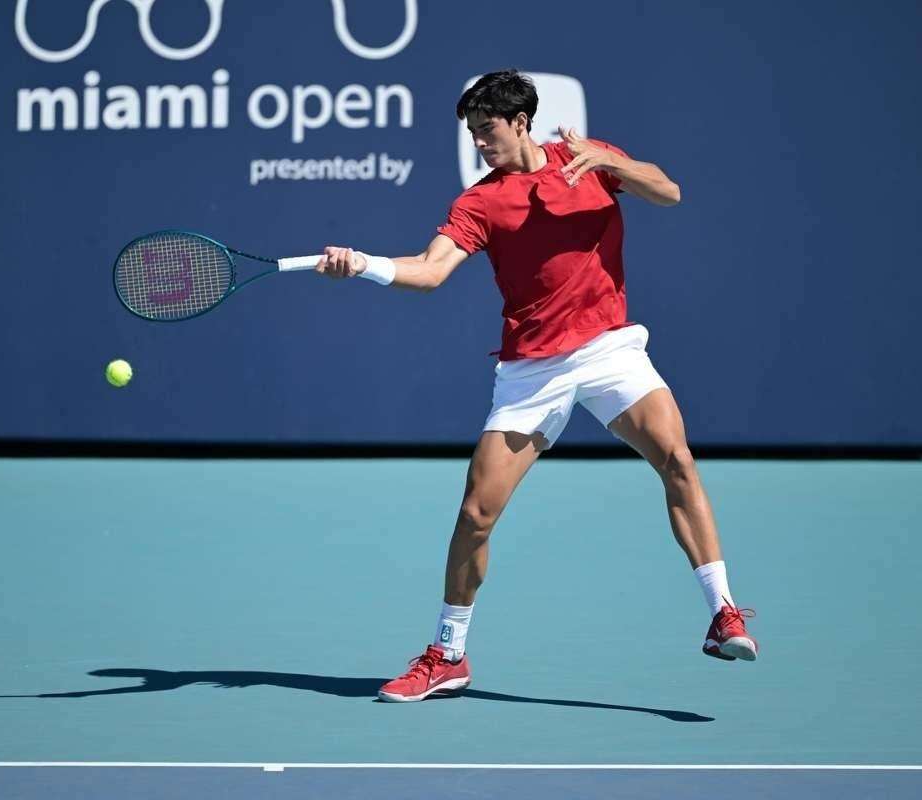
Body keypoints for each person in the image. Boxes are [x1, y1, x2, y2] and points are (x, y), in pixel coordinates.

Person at [315, 69, 757, 703]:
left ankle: (724, 613)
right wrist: (363, 265)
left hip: (608, 349)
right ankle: (448, 654)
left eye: (487, 130)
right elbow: (431, 271)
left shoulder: (589, 161)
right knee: (476, 514)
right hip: (532, 371)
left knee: (677, 459)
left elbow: (669, 192)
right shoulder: (479, 202)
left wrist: (608, 160)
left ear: (521, 122)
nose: (479, 144)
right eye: (472, 133)